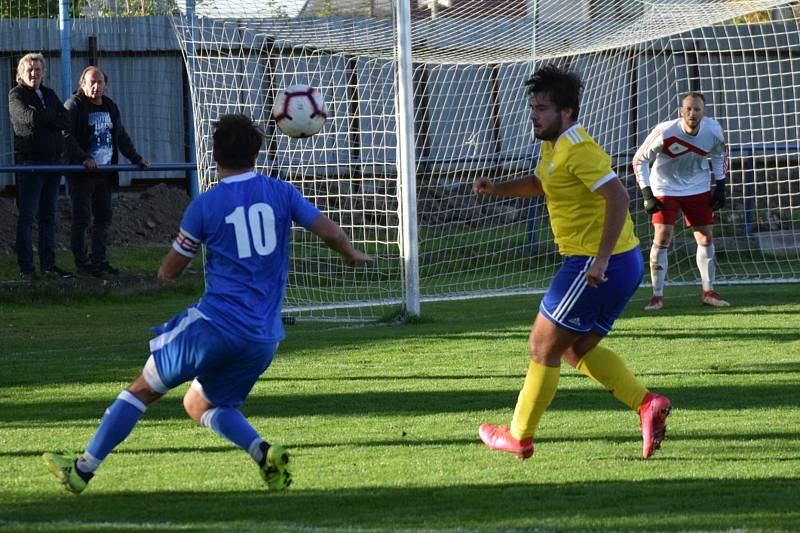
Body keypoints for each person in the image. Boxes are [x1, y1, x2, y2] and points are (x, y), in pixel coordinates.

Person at [42, 114, 372, 494]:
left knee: (142, 390)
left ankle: (82, 469)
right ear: (256, 153)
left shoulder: (207, 204)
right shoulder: (283, 193)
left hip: (214, 326)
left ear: (214, 154)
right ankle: (264, 453)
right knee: (199, 404)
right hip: (262, 338)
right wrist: (349, 254)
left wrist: (165, 270)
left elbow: (171, 270)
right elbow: (328, 230)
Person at [473, 65, 671, 461]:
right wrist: (496, 188)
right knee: (572, 350)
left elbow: (619, 198)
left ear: (567, 112)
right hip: (620, 263)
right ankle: (647, 404)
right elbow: (541, 184)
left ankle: (518, 437)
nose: (534, 115)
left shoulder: (578, 148)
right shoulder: (553, 146)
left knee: (541, 346)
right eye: (532, 107)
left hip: (596, 264)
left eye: (542, 108)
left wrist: (597, 261)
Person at [633, 92, 730, 310]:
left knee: (705, 238)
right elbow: (639, 160)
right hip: (664, 187)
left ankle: (708, 291)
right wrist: (647, 193)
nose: (692, 113)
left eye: (697, 109)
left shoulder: (713, 130)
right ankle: (657, 295)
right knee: (663, 236)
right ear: (681, 111)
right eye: (688, 109)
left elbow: (719, 155)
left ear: (703, 112)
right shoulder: (665, 131)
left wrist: (721, 185)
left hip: (697, 186)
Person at [63, 66, 150, 277]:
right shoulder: (74, 105)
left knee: (103, 218)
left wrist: (136, 158)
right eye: (91, 82)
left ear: (105, 84)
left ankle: (99, 261)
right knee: (82, 218)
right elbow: (65, 135)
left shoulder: (110, 105)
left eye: (99, 82)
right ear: (82, 84)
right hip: (82, 174)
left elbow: (120, 135)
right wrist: (84, 157)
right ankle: (82, 264)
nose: (96, 86)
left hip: (105, 173)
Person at [8, 53, 74, 280]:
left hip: (54, 163)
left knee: (48, 216)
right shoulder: (16, 95)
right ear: (20, 73)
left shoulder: (49, 93)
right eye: (29, 70)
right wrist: (51, 119)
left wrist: (48, 119)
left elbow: (65, 119)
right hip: (31, 163)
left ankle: (48, 265)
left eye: (38, 70)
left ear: (43, 73)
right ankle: (27, 267)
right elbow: (28, 118)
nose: (34, 73)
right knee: (27, 216)